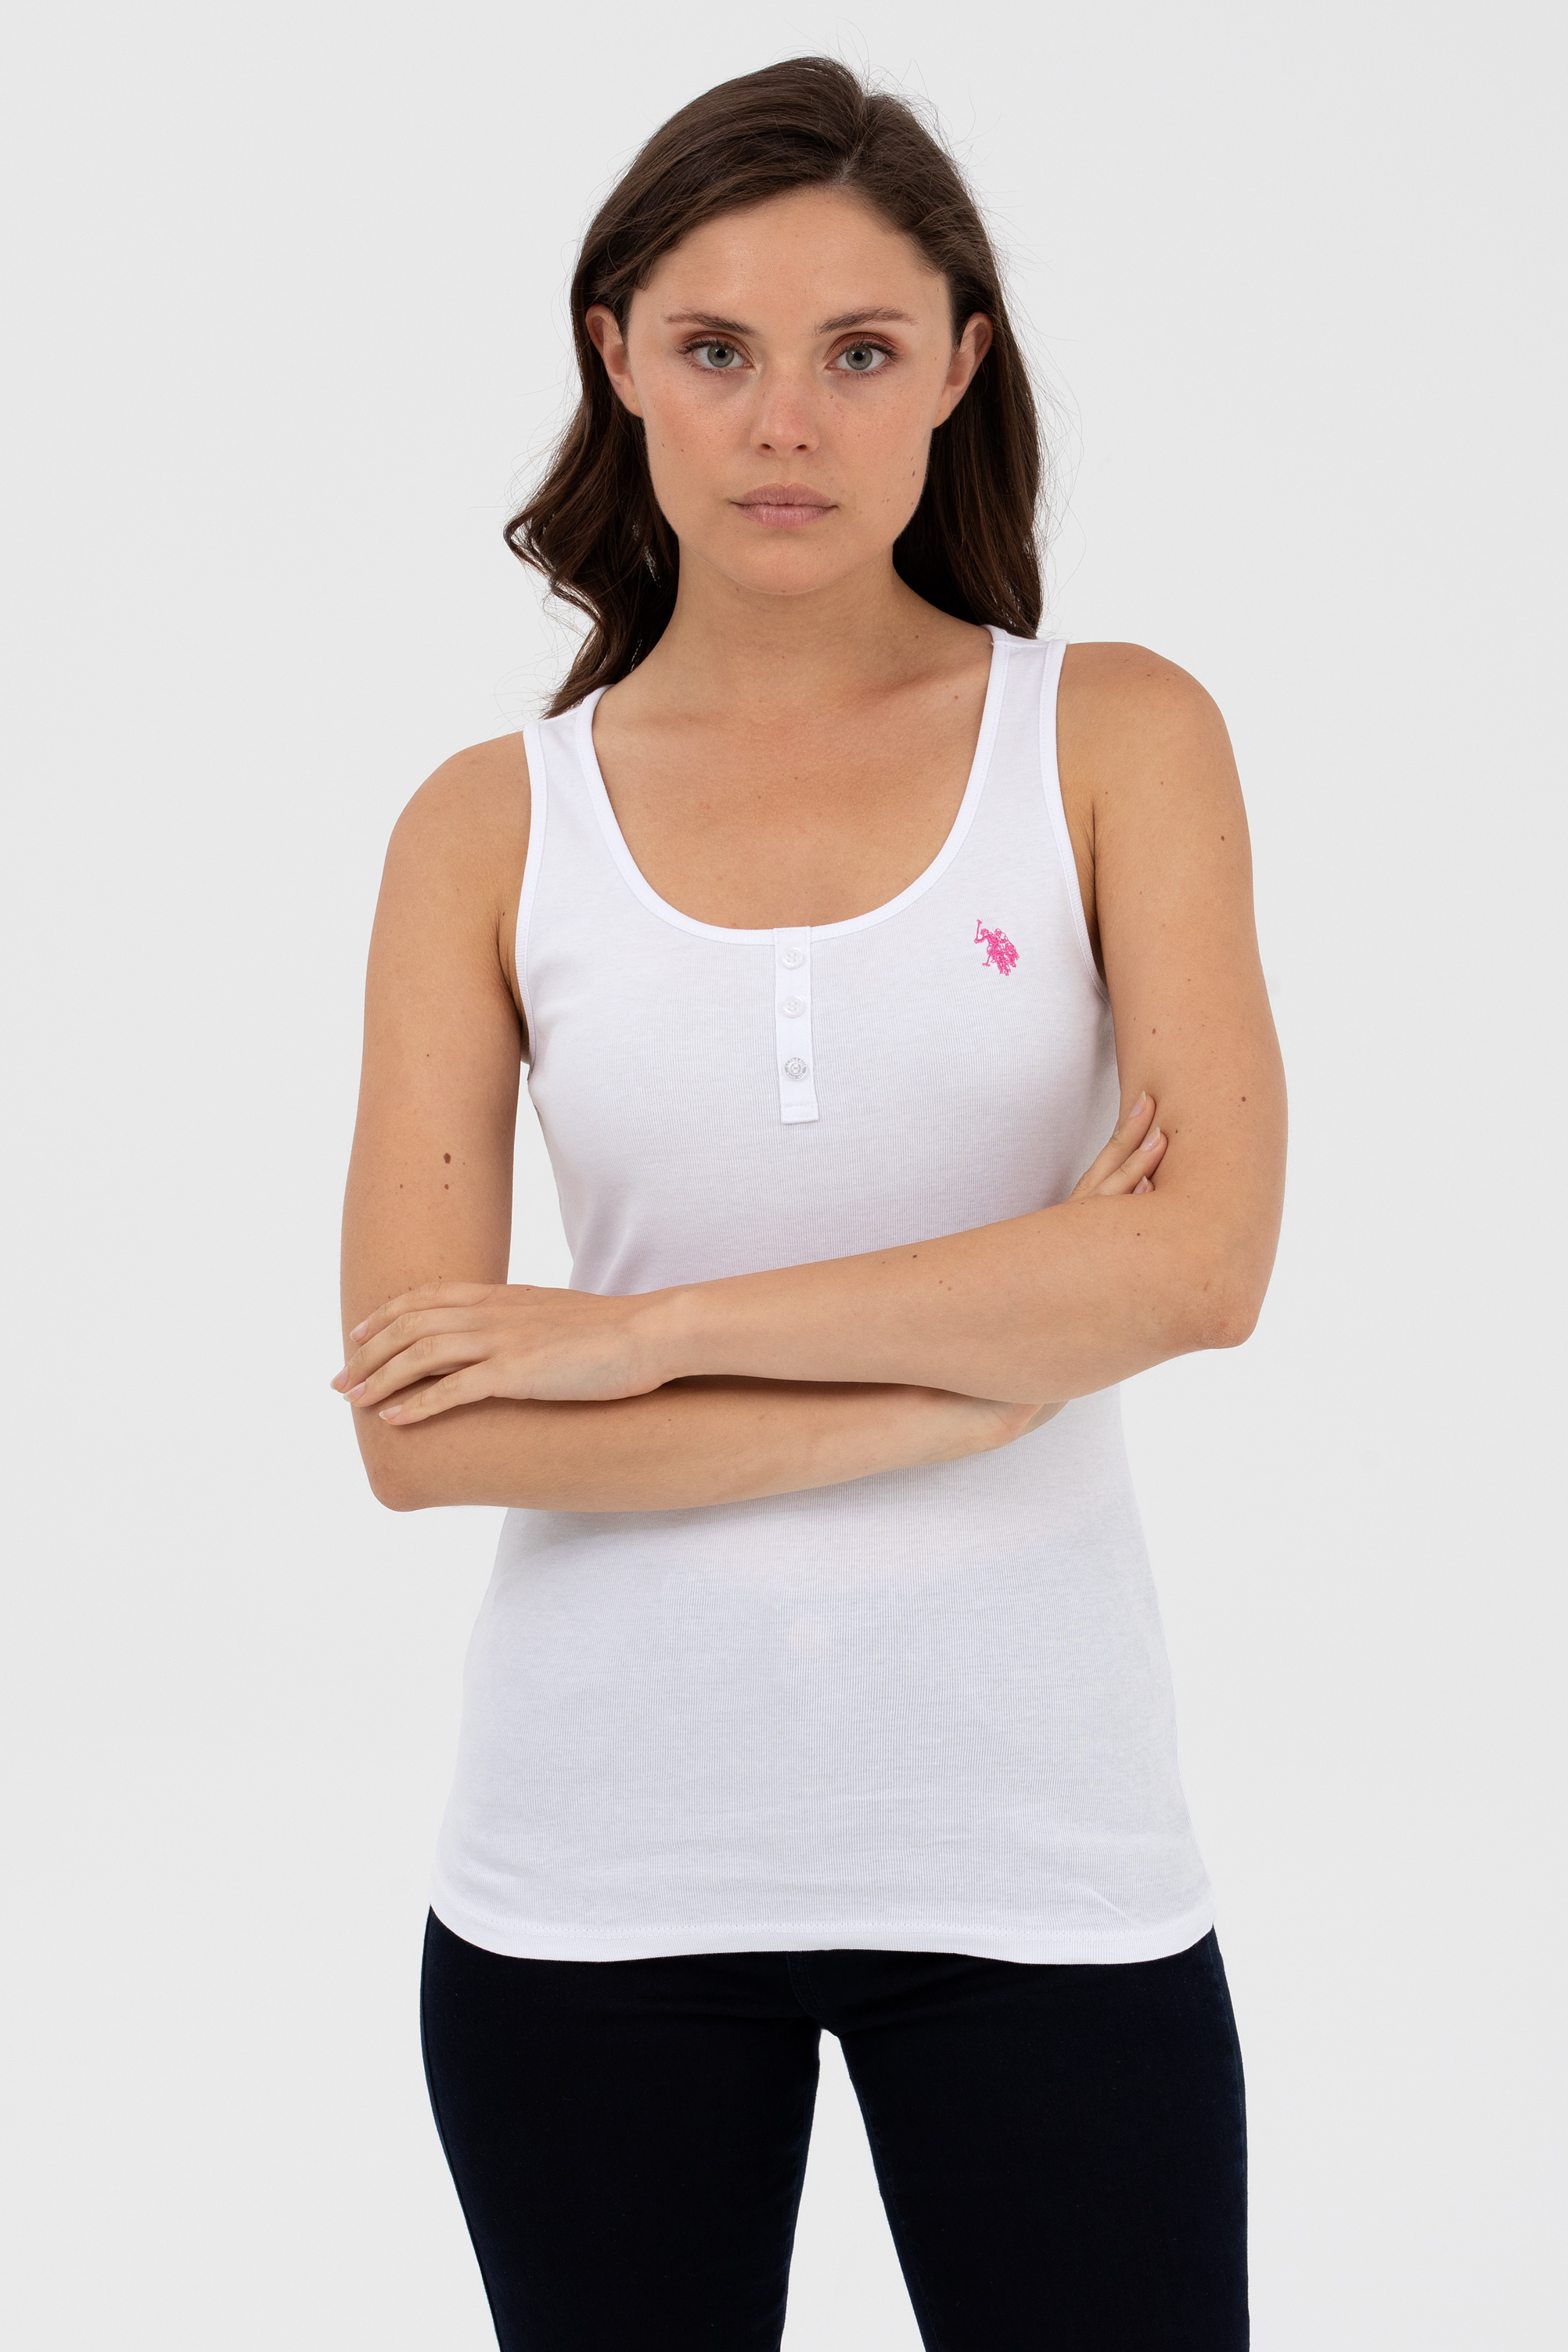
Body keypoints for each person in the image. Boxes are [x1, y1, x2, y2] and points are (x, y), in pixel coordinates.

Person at [334, 54, 1286, 2352]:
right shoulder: (487, 825)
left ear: (959, 367)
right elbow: (425, 1429)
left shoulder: (1112, 737)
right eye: (716, 348)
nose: (786, 423)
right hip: (592, 1873)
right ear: (616, 358)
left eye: (859, 351)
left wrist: (642, 1334)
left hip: (1041, 1856)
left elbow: (1199, 1265)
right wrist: (970, 1379)